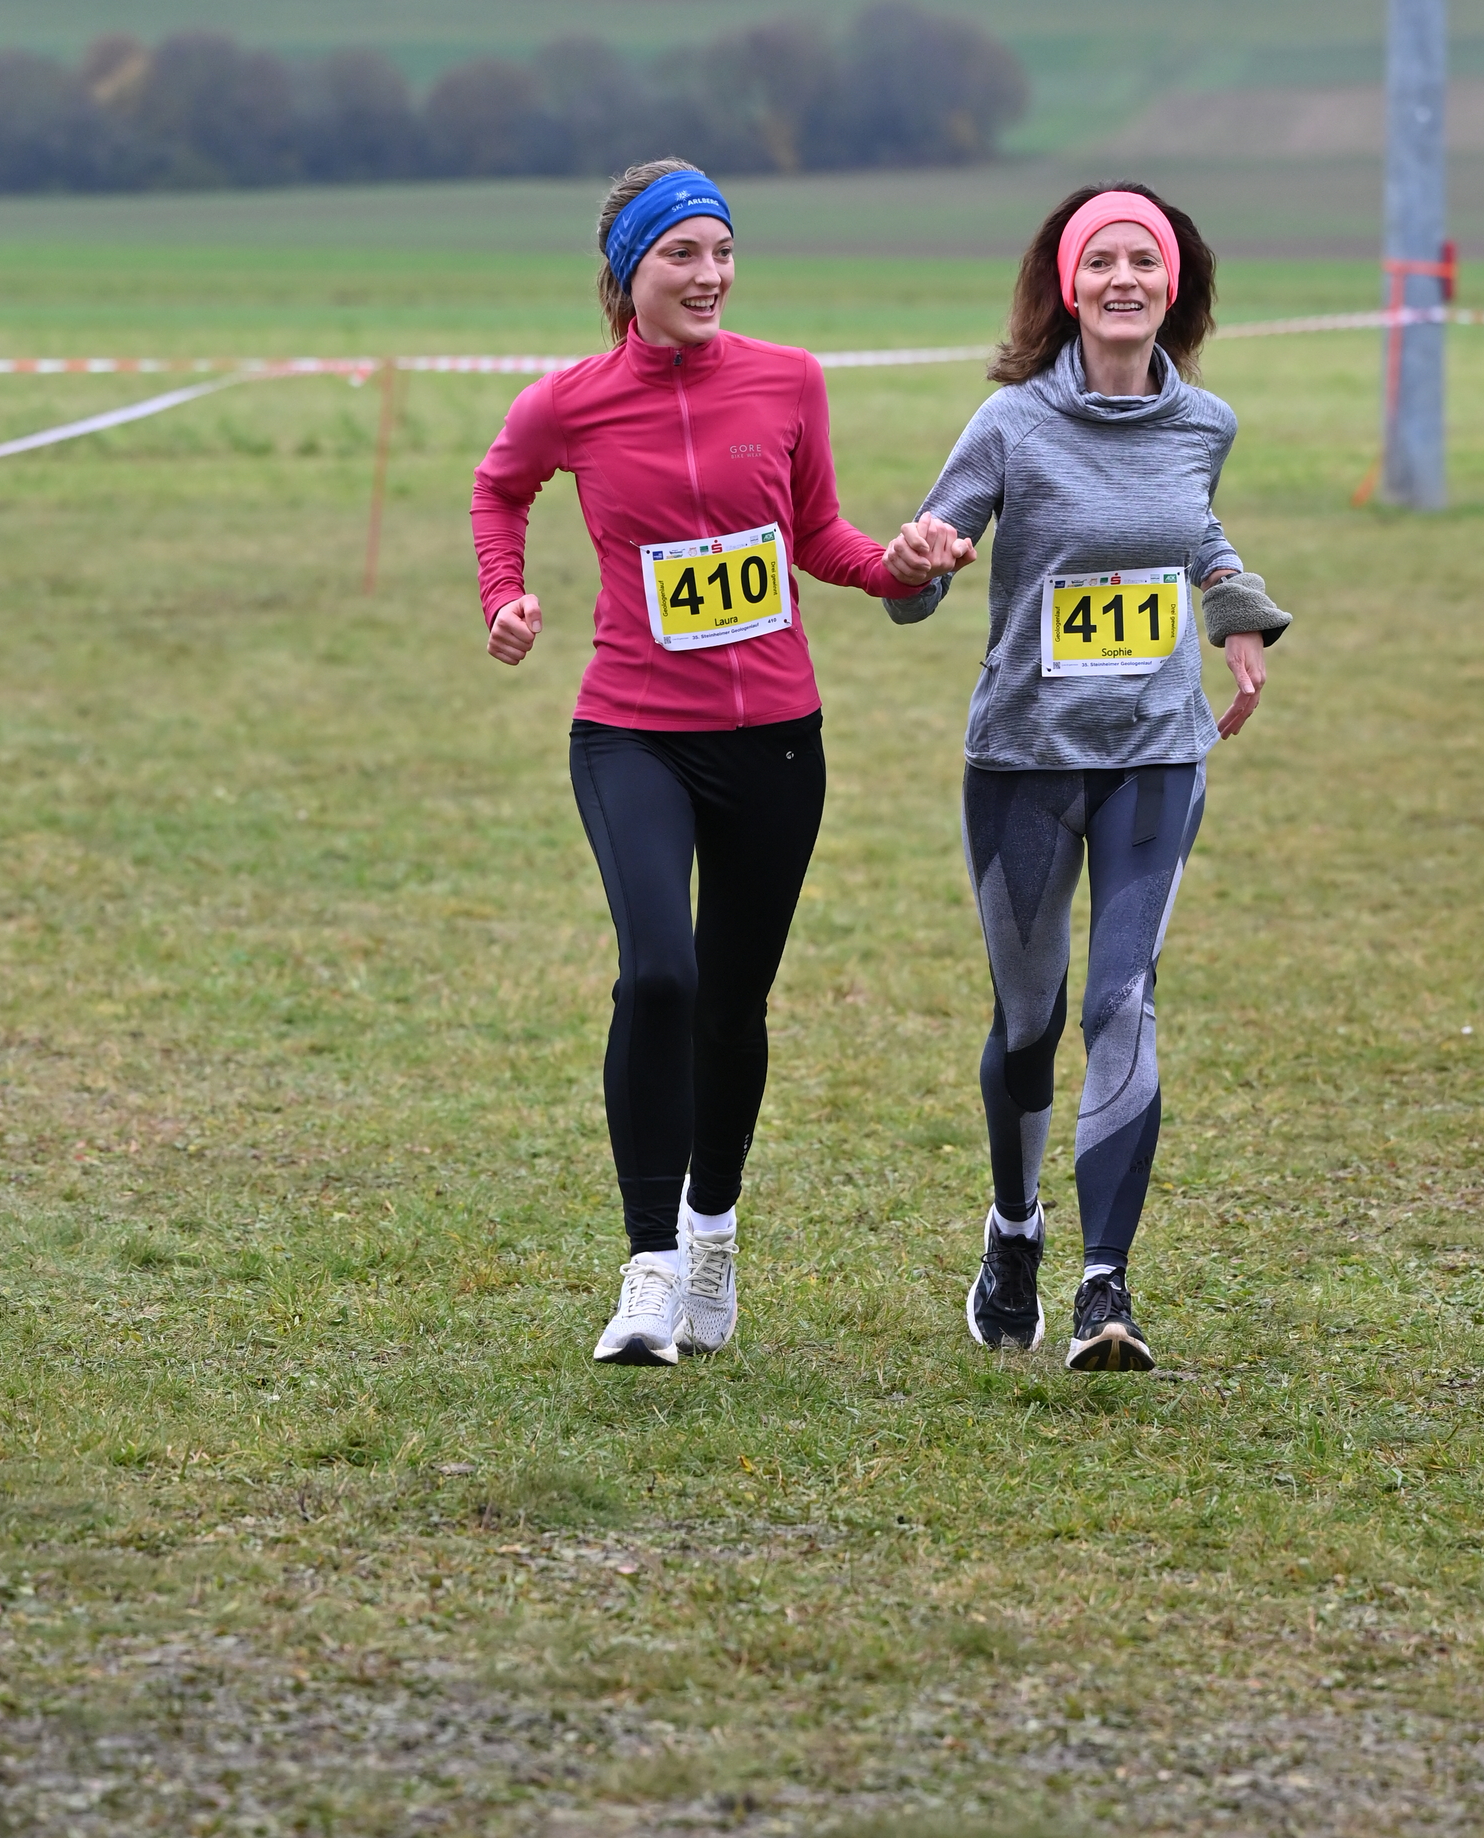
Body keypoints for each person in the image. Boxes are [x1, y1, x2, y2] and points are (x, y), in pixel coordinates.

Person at [471, 159, 966, 1366]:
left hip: (775, 740)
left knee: (732, 1005)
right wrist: (505, 595)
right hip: (632, 731)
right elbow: (499, 487)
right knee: (658, 978)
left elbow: (816, 535)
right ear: (627, 272)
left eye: (723, 252)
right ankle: (647, 1270)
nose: (709, 276)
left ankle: (710, 1232)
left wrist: (898, 568)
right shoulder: (568, 403)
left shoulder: (789, 379)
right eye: (681, 255)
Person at [886, 183, 1290, 1372]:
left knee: (1122, 1002)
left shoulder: (1203, 423)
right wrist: (918, 562)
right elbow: (919, 579)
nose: (1124, 279)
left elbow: (1188, 528)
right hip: (1021, 760)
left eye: (1143, 261)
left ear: (1173, 284)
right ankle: (1013, 1231)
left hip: (1154, 753)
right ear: (1068, 287)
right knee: (1030, 1019)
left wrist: (1235, 607)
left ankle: (1104, 1289)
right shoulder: (1008, 424)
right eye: (1101, 261)